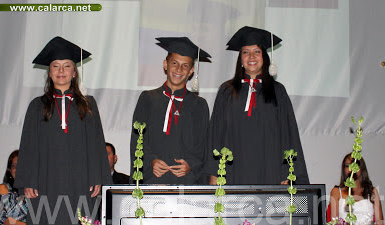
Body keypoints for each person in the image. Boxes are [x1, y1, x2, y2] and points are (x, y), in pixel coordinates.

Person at [14, 36, 112, 225]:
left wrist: (97, 177)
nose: (61, 71)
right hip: (45, 183)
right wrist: (28, 181)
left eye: (67, 66)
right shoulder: (37, 106)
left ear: (74, 72)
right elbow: (28, 146)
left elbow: (96, 144)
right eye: (55, 66)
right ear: (49, 72)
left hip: (81, 182)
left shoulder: (88, 104)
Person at [206, 26, 309, 185]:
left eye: (257, 51)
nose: (251, 56)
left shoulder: (278, 91)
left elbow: (288, 134)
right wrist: (214, 172)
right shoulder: (226, 91)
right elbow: (216, 135)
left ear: (265, 57)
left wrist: (287, 172)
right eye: (246, 52)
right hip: (232, 171)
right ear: (240, 58)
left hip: (270, 169)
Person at [130, 37, 211, 184]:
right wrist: (151, 161)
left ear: (191, 71)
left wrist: (191, 164)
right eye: (174, 63)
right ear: (165, 65)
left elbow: (204, 144)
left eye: (185, 66)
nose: (179, 70)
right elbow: (137, 140)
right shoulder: (148, 99)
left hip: (186, 181)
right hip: (153, 179)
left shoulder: (199, 105)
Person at [329, 153, 383, 224]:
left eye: (354, 165)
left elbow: (380, 222)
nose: (351, 169)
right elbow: (334, 222)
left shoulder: (372, 191)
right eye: (347, 166)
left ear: (361, 168)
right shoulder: (336, 192)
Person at [0, 150, 27, 225]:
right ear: (10, 170)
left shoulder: (33, 192)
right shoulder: (3, 189)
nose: (18, 169)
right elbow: (3, 221)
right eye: (14, 166)